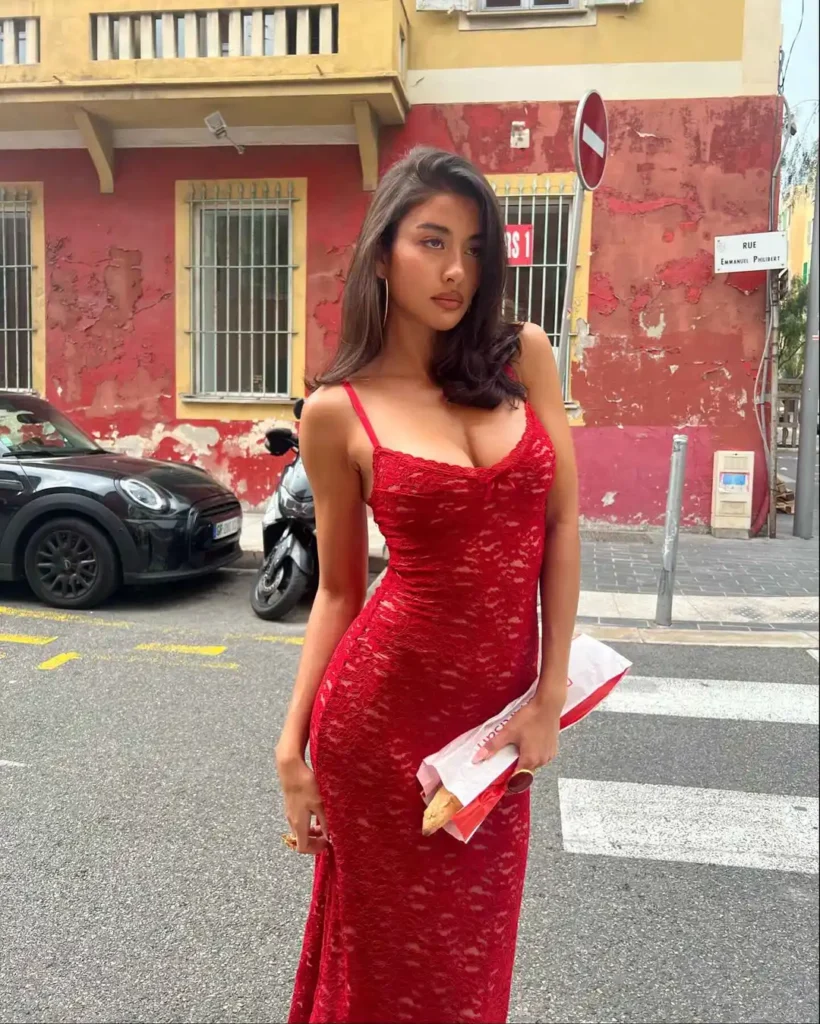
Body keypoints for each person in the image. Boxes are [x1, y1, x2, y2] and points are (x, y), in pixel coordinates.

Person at [276, 146, 580, 1024]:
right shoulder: (338, 410)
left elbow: (561, 525)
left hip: (494, 732)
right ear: (383, 253)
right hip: (378, 733)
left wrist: (549, 695)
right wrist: (292, 750)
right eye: (433, 241)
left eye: (477, 248)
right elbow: (337, 592)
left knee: (471, 962)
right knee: (382, 961)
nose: (457, 270)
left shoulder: (523, 357)